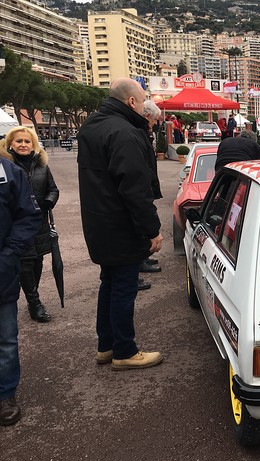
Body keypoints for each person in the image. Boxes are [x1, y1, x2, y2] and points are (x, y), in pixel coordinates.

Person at [77, 78, 163, 371]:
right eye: (142, 100)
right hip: (121, 225)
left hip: (98, 222)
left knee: (110, 284)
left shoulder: (92, 126)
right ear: (131, 102)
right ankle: (125, 351)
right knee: (124, 288)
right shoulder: (125, 133)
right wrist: (152, 229)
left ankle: (107, 346)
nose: (143, 106)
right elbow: (135, 190)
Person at [0, 127, 59, 323]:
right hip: (18, 225)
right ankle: (34, 303)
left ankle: (32, 296)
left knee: (37, 262)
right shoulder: (6, 167)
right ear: (10, 144)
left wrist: (48, 202)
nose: (23, 145)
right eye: (19, 141)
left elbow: (53, 189)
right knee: (24, 263)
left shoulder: (42, 165)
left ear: (33, 144)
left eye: (27, 141)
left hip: (39, 223)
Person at [0, 154, 42, 426]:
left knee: (5, 340)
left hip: (2, 271)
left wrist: (7, 256)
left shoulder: (7, 171)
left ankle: (5, 394)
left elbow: (28, 216)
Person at [139, 100, 163, 279]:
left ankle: (143, 258)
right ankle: (140, 261)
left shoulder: (144, 132)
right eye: (154, 120)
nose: (155, 124)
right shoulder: (138, 132)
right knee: (140, 227)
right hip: (141, 188)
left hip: (146, 184)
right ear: (147, 116)